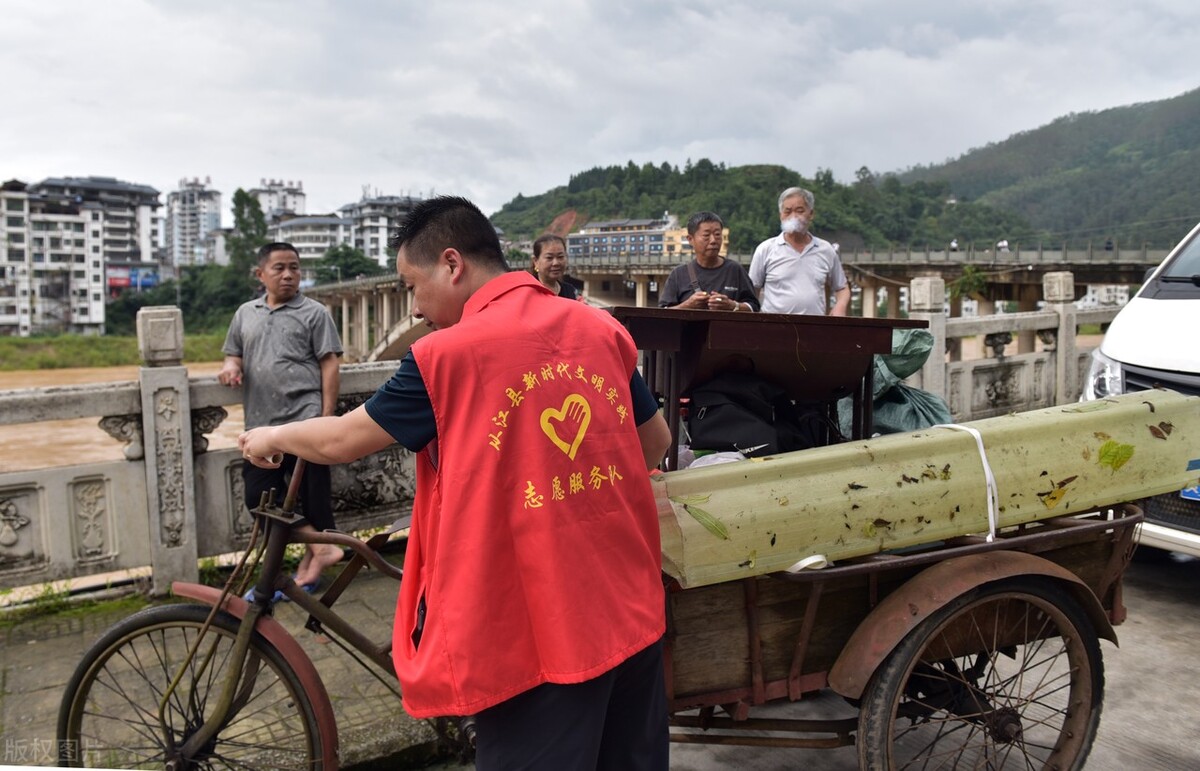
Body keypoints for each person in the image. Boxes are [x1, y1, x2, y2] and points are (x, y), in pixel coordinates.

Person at [239, 196, 673, 770]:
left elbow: (343, 439)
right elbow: (654, 444)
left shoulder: (444, 357)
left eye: (413, 286)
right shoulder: (598, 327)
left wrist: (270, 435)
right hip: (631, 610)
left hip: (536, 635)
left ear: (451, 264)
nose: (415, 308)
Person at [218, 241, 344, 593]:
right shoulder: (246, 313)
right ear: (261, 274)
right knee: (259, 499)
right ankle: (321, 548)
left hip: (305, 422)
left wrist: (326, 418)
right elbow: (233, 354)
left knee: (315, 501)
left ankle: (308, 570)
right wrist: (230, 368)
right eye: (279, 268)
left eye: (295, 268)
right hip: (261, 426)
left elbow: (330, 364)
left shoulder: (315, 313)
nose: (288, 275)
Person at [748, 187, 850, 316]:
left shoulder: (825, 250)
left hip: (814, 325)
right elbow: (752, 292)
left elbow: (842, 288)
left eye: (799, 211)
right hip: (774, 325)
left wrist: (840, 306)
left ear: (811, 214)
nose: (794, 217)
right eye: (787, 212)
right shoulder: (765, 249)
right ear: (780, 215)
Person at [658, 211, 759, 312]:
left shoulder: (735, 270)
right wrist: (687, 305)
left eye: (717, 234)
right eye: (706, 235)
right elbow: (662, 313)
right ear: (690, 239)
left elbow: (754, 307)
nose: (713, 240)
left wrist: (732, 305)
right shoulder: (678, 274)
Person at [531, 233, 582, 300]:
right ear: (536, 261)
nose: (556, 263)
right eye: (549, 258)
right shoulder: (528, 292)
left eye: (560, 257)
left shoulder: (570, 291)